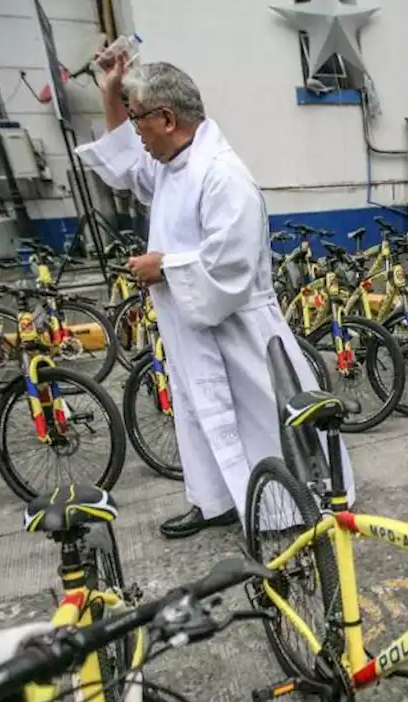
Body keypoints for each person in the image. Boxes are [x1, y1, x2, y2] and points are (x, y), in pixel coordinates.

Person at [76, 53, 353, 538]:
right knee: (200, 417)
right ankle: (215, 502)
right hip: (192, 322)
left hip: (237, 329)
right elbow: (125, 168)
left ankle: (289, 509)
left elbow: (232, 265)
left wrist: (162, 266)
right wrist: (110, 92)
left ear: (166, 119)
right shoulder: (172, 163)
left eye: (138, 116)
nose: (135, 129)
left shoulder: (222, 176)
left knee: (259, 424)